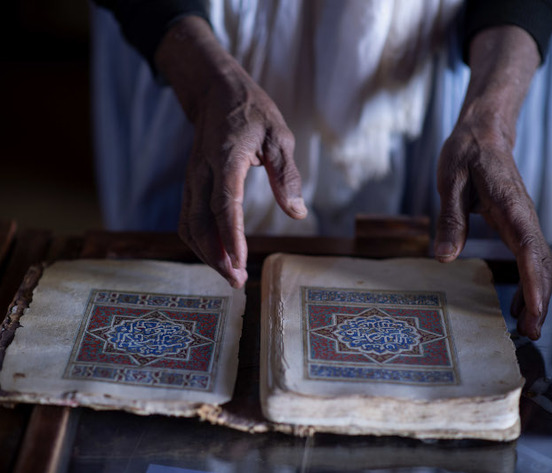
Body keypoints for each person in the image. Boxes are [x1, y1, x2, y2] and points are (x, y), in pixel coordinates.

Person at [91, 0, 552, 340]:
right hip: (197, 37)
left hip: (438, 53)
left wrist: (491, 120)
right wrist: (209, 85)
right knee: (191, 289)